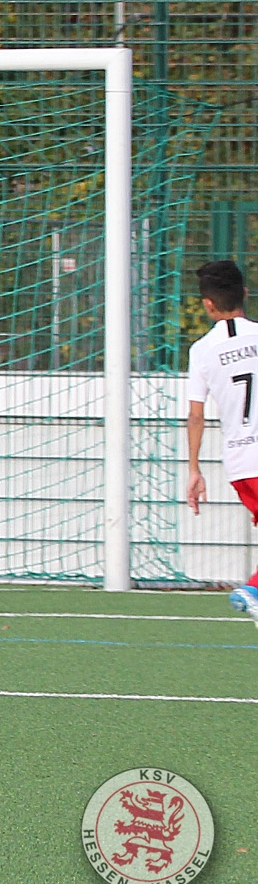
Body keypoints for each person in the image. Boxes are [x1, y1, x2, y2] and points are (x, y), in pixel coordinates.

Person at [185, 259, 258, 623]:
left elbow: (196, 415)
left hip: (240, 465)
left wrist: (194, 470)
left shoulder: (201, 350)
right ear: (244, 293)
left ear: (208, 304)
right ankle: (253, 589)